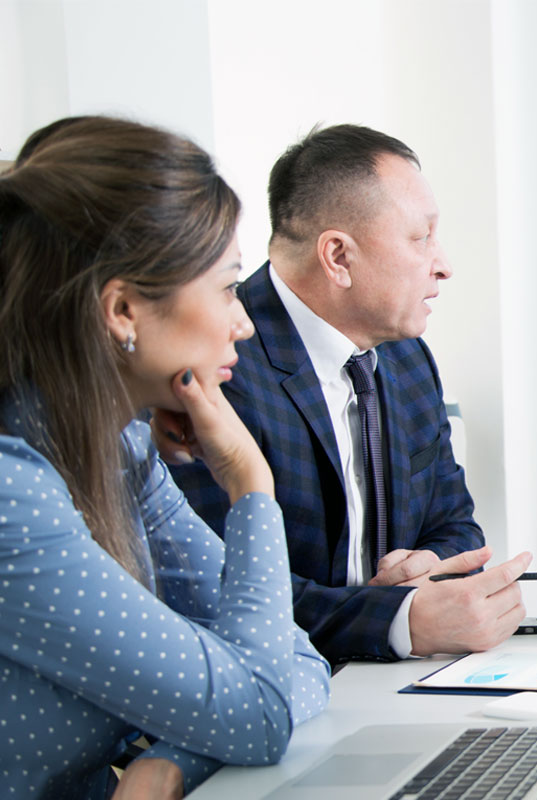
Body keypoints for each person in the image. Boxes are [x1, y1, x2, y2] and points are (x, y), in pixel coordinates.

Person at [0, 116, 330, 797]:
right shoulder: (11, 497)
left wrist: (174, 761)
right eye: (228, 287)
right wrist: (249, 487)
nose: (243, 321)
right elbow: (258, 710)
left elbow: (293, 661)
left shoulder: (120, 447)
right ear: (122, 311)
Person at [171, 125, 530, 664]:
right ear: (338, 256)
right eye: (420, 237)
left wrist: (427, 567)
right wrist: (398, 620)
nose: (443, 264)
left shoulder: (406, 357)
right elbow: (215, 589)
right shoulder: (219, 367)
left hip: (391, 681)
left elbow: (456, 523)